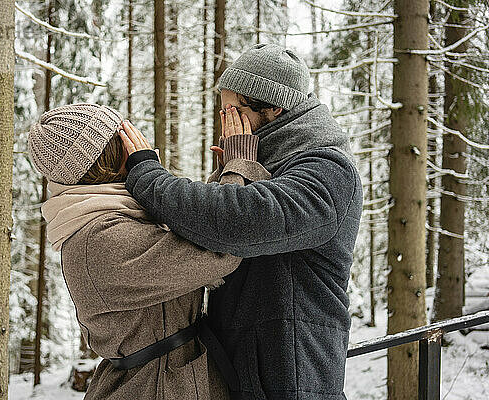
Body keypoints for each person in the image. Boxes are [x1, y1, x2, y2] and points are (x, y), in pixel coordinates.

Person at [119, 43, 364, 399]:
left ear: (273, 106)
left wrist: (148, 175)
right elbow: (206, 233)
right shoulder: (268, 158)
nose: (224, 122)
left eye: (233, 111)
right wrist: (234, 168)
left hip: (292, 373)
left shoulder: (328, 170)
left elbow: (235, 221)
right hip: (245, 366)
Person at [27, 102, 271, 399]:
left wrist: (225, 174)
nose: (137, 138)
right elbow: (223, 246)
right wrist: (238, 168)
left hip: (166, 380)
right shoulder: (99, 239)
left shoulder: (111, 214)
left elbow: (191, 235)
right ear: (113, 153)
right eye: (124, 133)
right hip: (153, 388)